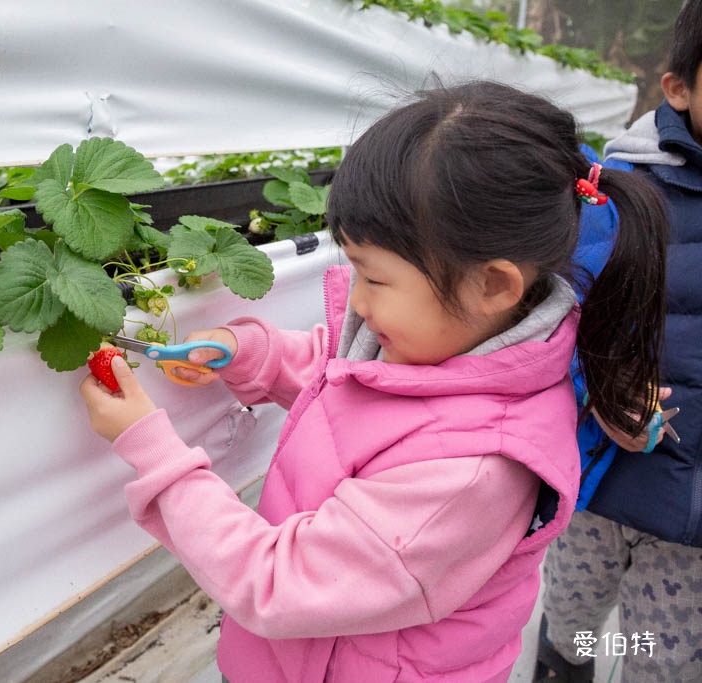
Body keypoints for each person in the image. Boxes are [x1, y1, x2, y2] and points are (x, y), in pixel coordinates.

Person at [79, 80, 668, 682]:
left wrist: (151, 449)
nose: (356, 301)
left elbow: (277, 583)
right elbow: (351, 382)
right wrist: (246, 353)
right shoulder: (446, 345)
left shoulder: (473, 473)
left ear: (493, 284)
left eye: (374, 279)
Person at [535, 2, 702, 681]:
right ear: (679, 89)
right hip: (601, 475)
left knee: (662, 657)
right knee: (574, 613)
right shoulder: (620, 195)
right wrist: (599, 388)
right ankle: (562, 661)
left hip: (692, 520)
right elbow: (559, 317)